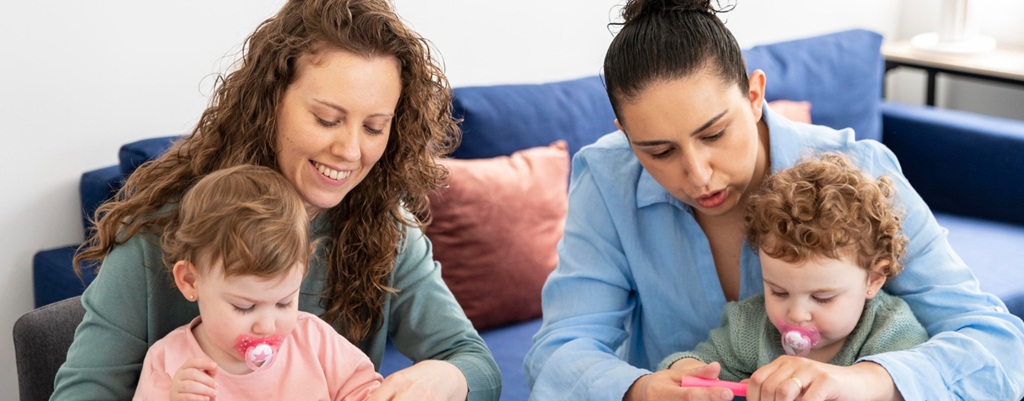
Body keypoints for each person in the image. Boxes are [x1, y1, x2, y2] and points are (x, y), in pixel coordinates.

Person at [523, 0, 1024, 400]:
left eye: (715, 133)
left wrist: (868, 383)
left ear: (755, 93)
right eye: (659, 150)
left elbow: (999, 345)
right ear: (625, 135)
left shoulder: (858, 171)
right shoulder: (607, 177)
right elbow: (560, 353)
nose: (697, 175)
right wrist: (640, 389)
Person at [53, 1, 500, 400]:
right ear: (270, 102)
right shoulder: (166, 233)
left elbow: (475, 363)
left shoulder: (386, 228)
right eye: (327, 119)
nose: (349, 150)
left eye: (374, 127)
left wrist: (445, 378)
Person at [658, 153, 928, 386]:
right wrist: (684, 371)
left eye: (823, 298)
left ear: (874, 279)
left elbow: (921, 384)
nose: (797, 315)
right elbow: (700, 364)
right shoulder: (751, 329)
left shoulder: (891, 333)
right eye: (778, 292)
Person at [133, 165, 382, 401]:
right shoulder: (168, 361)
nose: (267, 326)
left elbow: (369, 392)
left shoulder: (315, 342)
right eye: (244, 307)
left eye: (284, 303)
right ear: (190, 281)